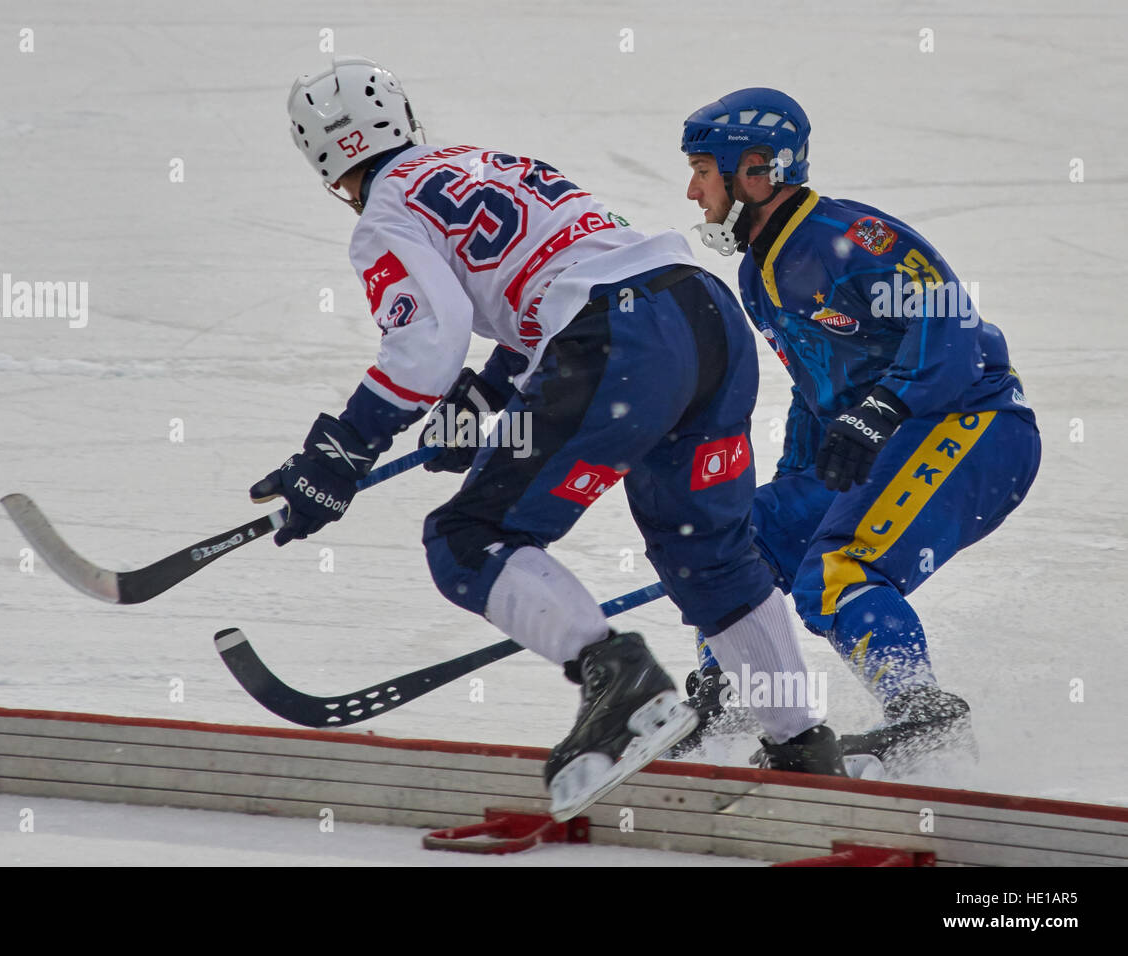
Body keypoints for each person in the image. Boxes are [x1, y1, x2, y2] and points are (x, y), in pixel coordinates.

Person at [253, 57, 845, 818]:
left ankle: (618, 679)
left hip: (624, 341)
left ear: (326, 165)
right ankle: (802, 746)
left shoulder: (386, 216)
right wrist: (488, 391)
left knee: (468, 538)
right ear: (404, 120)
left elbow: (428, 343)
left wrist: (337, 455)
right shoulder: (487, 161)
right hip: (703, 318)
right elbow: (558, 275)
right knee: (710, 556)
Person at [676, 88, 1041, 772]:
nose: (693, 191)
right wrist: (792, 488)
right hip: (888, 439)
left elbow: (951, 326)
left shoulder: (849, 238)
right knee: (735, 540)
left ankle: (924, 721)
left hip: (974, 425)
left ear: (755, 170)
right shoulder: (759, 274)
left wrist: (881, 412)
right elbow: (817, 390)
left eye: (703, 170)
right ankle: (731, 696)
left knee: (837, 569)